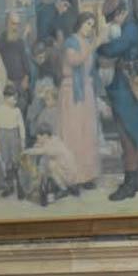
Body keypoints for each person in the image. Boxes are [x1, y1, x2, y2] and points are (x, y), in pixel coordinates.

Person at [98, 0, 138, 202]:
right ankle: (134, 180)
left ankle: (131, 183)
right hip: (125, 88)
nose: (112, 22)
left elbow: (111, 50)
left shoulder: (129, 29)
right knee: (128, 134)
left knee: (129, 134)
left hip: (128, 89)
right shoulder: (128, 28)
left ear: (121, 12)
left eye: (112, 18)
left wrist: (98, 45)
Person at [58, 12, 101, 188]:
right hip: (72, 92)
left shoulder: (88, 42)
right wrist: (93, 46)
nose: (89, 28)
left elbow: (90, 69)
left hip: (86, 91)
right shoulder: (71, 41)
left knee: (87, 134)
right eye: (87, 24)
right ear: (79, 24)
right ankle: (72, 177)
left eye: (92, 25)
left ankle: (86, 176)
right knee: (73, 133)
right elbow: (74, 60)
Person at [23, 123, 82, 201]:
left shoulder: (53, 144)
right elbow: (40, 148)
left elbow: (42, 151)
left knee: (50, 164)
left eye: (39, 137)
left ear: (45, 136)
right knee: (47, 163)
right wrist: (37, 146)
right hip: (66, 170)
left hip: (68, 173)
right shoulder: (52, 139)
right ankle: (63, 186)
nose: (38, 139)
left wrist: (26, 152)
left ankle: (64, 189)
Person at [0, 11, 34, 112]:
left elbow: (26, 65)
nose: (16, 27)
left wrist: (26, 78)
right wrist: (6, 80)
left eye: (18, 24)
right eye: (13, 23)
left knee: (24, 106)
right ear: (7, 23)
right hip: (5, 84)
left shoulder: (20, 42)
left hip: (21, 85)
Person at [0, 83, 26, 193]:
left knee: (16, 161)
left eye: (17, 98)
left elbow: (21, 126)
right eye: (14, 98)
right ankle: (10, 186)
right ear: (6, 97)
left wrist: (23, 139)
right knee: (7, 162)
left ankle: (20, 187)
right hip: (3, 138)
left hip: (14, 137)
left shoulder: (17, 111)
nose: (16, 101)